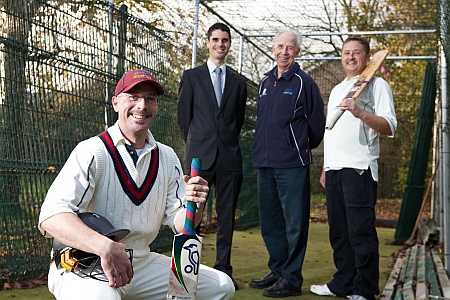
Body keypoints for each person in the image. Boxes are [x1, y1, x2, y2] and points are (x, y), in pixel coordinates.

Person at [38, 69, 235, 300]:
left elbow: (182, 226)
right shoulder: (92, 151)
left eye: (150, 99)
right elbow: (51, 216)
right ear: (115, 102)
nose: (142, 106)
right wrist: (104, 247)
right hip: (85, 263)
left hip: (141, 264)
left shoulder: (167, 156)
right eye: (133, 96)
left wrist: (195, 203)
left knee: (222, 286)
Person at [310, 36, 397, 300]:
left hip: (359, 169)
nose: (350, 57)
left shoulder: (378, 85)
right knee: (339, 232)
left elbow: (390, 126)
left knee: (360, 232)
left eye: (356, 53)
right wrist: (326, 166)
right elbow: (332, 132)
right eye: (346, 52)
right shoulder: (338, 89)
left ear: (367, 58)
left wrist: (360, 112)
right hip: (335, 169)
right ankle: (343, 283)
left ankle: (365, 289)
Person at [249, 28, 325, 298]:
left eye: (289, 47)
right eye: (279, 46)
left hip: (292, 164)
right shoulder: (265, 82)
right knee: (271, 223)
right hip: (265, 164)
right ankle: (279, 270)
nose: (284, 52)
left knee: (294, 223)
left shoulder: (305, 82)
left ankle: (292, 279)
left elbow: (316, 126)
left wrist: (298, 147)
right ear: (273, 49)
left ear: (298, 52)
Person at [177, 22, 247, 289]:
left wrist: (223, 142)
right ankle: (187, 271)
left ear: (229, 45)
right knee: (191, 213)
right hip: (199, 157)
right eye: (216, 39)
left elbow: (236, 120)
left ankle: (223, 271)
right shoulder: (191, 77)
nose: (220, 44)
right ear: (207, 43)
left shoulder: (239, 82)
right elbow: (184, 118)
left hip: (229, 157)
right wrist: (197, 144)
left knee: (226, 215)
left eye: (225, 40)